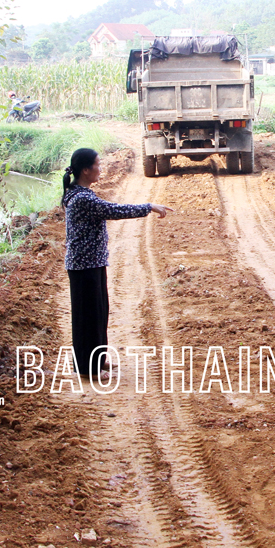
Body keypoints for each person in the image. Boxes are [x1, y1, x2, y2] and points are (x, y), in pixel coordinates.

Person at [63, 148, 173, 379]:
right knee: (88, 317)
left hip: (91, 262)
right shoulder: (82, 198)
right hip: (84, 266)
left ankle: (98, 359)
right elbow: (113, 210)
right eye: (97, 164)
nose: (100, 168)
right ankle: (87, 368)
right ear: (85, 170)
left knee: (98, 313)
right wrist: (149, 206)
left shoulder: (80, 193)